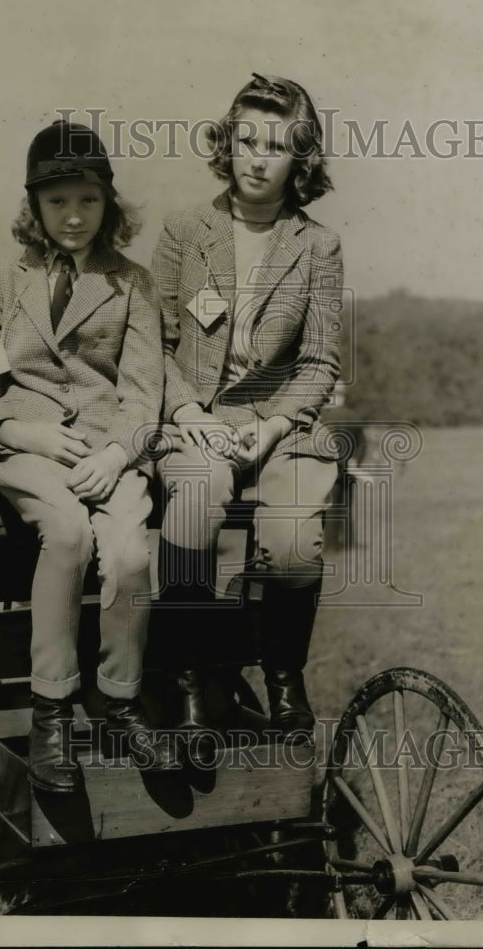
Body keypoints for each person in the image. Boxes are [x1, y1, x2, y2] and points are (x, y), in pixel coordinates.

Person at [0, 119, 177, 793]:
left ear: (108, 203)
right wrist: (24, 435)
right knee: (68, 532)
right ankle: (53, 710)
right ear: (34, 208)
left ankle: (122, 699)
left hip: (108, 451)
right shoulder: (1, 279)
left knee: (132, 553)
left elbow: (143, 395)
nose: (73, 217)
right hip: (25, 447)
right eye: (57, 203)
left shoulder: (132, 283)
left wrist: (116, 455)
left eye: (87, 200)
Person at [152, 73, 344, 742]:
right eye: (247, 140)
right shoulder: (183, 231)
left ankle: (282, 676)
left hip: (281, 427)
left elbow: (320, 362)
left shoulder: (317, 245)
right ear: (226, 145)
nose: (259, 157)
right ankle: (188, 679)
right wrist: (186, 418)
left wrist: (272, 426)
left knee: (292, 546)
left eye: (277, 145)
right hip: (195, 424)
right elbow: (153, 346)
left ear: (301, 159)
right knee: (194, 511)